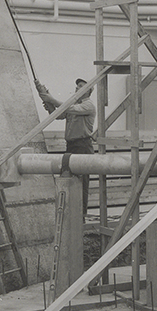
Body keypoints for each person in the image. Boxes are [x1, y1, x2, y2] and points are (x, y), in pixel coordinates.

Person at [35, 77, 96, 215]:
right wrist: (49, 105)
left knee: (82, 183)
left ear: (88, 91)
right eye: (77, 86)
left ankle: (81, 217)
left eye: (81, 86)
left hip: (82, 146)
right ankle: (71, 216)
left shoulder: (88, 105)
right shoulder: (73, 105)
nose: (77, 88)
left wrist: (50, 99)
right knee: (70, 180)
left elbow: (66, 108)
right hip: (72, 146)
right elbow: (58, 115)